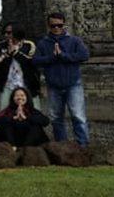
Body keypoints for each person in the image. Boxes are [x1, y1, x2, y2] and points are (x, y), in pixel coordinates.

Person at [33, 12, 91, 146]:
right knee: (56, 117)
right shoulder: (43, 43)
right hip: (53, 85)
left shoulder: (74, 40)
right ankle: (62, 146)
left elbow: (84, 55)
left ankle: (83, 145)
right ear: (49, 26)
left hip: (73, 84)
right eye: (53, 26)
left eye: (59, 25)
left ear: (64, 24)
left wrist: (63, 56)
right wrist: (52, 58)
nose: (56, 28)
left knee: (78, 116)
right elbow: (35, 61)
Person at [0, 26, 41, 110]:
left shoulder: (29, 45)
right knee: (5, 112)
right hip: (7, 84)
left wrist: (15, 53)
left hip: (27, 84)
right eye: (5, 32)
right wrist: (7, 55)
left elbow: (32, 62)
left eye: (9, 33)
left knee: (34, 111)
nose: (6, 35)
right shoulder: (0, 46)